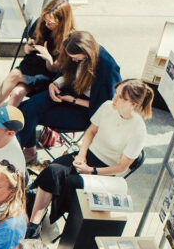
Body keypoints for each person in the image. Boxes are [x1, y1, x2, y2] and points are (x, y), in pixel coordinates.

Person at [26, 79, 152, 236]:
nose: (114, 98)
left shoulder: (138, 130)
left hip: (105, 171)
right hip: (87, 154)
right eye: (116, 93)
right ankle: (33, 225)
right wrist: (81, 154)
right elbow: (91, 131)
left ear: (132, 104)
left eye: (120, 97)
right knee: (52, 170)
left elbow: (121, 168)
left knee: (70, 182)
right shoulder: (107, 106)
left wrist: (91, 170)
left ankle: (44, 214)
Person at [17, 30, 122, 163]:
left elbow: (105, 105)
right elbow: (68, 74)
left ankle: (21, 150)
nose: (73, 60)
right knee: (25, 107)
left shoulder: (107, 67)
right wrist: (54, 84)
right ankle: (29, 150)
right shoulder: (76, 57)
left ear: (86, 52)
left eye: (75, 57)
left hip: (86, 111)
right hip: (68, 93)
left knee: (28, 114)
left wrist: (74, 100)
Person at [0, 0, 75, 108]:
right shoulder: (41, 23)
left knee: (14, 75)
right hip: (30, 66)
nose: (46, 24)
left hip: (47, 76)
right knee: (17, 93)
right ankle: (5, 120)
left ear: (62, 22)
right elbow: (26, 51)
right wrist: (29, 48)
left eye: (51, 22)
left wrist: (48, 58)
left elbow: (54, 71)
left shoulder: (69, 39)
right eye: (45, 19)